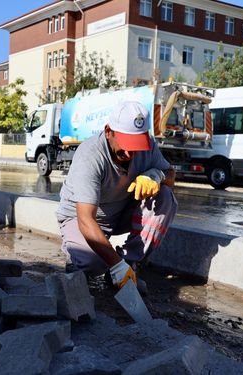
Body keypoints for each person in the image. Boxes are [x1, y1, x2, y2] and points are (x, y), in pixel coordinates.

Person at [56, 101, 178, 290]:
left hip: (120, 214)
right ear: (108, 132)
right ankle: (84, 260)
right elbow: (85, 219)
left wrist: (157, 175)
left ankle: (129, 266)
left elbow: (171, 175)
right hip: (81, 218)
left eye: (135, 145)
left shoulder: (148, 147)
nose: (129, 153)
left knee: (165, 197)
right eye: (126, 143)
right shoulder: (90, 155)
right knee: (94, 263)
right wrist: (115, 265)